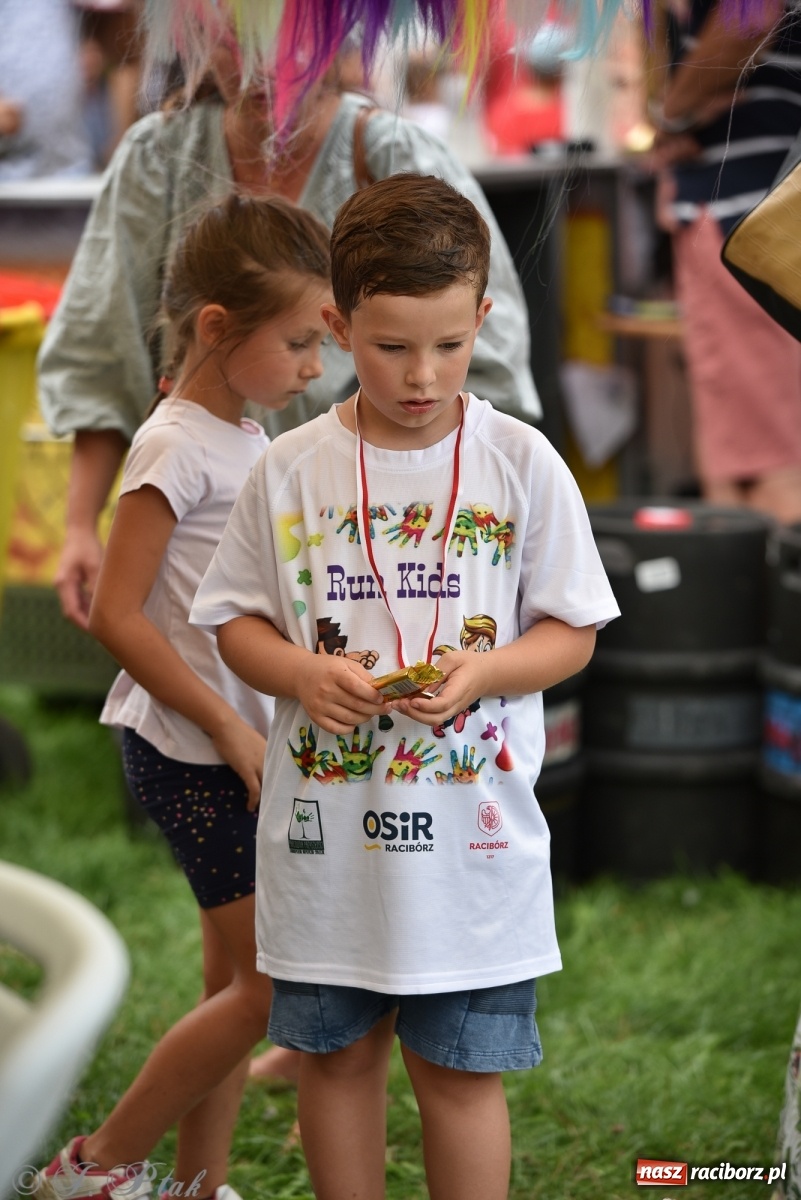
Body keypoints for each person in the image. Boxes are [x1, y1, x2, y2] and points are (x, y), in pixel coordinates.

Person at [189, 173, 620, 1200]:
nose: (421, 375)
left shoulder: (524, 463)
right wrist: (300, 671)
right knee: (335, 1061)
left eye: (448, 345)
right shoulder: (288, 469)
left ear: (483, 318)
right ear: (338, 326)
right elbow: (236, 624)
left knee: (462, 1072)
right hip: (326, 855)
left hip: (473, 866)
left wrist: (489, 670)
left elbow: (572, 635)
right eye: (389, 348)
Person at [33, 192, 332, 1200]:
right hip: (194, 753)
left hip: (234, 747)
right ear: (217, 327)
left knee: (231, 985)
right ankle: (92, 1169)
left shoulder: (243, 436)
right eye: (298, 341)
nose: (313, 368)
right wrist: (224, 726)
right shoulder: (173, 446)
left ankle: (201, 1185)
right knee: (266, 989)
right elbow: (120, 616)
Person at [36, 44, 540, 636]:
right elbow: (102, 350)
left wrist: (409, 529)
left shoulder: (393, 153)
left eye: (292, 33)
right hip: (193, 559)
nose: (260, 64)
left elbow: (484, 370)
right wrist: (79, 526)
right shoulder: (158, 157)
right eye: (234, 35)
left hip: (365, 553)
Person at [650, 0, 801, 522]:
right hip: (761, 212)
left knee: (761, 469)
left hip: (747, 217)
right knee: (750, 456)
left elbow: (750, 16)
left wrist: (671, 113)